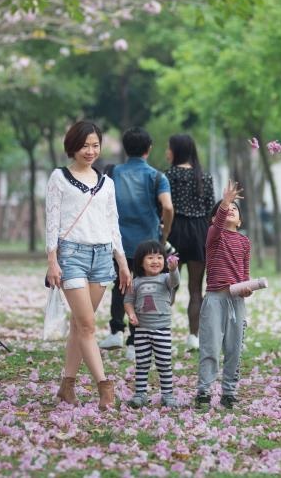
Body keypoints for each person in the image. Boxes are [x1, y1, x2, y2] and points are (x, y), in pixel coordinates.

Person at [45, 120, 131, 410]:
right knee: (88, 325)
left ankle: (66, 387)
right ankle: (105, 387)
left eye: (95, 145)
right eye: (85, 145)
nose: (90, 151)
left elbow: (113, 223)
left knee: (79, 326)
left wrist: (121, 260)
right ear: (72, 146)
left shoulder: (108, 183)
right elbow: (52, 221)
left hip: (102, 257)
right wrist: (52, 260)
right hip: (71, 257)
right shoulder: (59, 178)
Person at [98, 127, 173, 360]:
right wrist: (163, 236)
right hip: (147, 242)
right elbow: (168, 207)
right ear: (148, 150)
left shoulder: (111, 172)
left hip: (117, 241)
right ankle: (134, 342)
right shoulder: (157, 176)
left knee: (120, 285)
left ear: (125, 148)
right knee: (142, 289)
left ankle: (116, 332)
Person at [196, 179, 253, 409]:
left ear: (240, 221)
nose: (230, 210)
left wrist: (247, 288)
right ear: (214, 219)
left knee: (234, 348)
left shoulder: (245, 242)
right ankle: (204, 391)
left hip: (236, 301)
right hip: (214, 300)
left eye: (234, 209)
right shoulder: (214, 236)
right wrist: (226, 201)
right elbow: (219, 221)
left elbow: (244, 272)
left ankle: (229, 392)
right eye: (225, 208)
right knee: (210, 347)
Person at [164, 133, 215, 352]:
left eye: (169, 148)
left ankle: (162, 336)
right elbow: (211, 208)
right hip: (199, 233)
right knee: (196, 289)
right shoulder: (204, 177)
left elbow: (164, 207)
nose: (167, 152)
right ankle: (194, 337)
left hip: (174, 232)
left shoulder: (167, 176)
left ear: (176, 151)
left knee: (168, 287)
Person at [124, 240, 181, 408]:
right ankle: (140, 394)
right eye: (150, 257)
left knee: (164, 364)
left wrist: (173, 270)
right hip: (141, 330)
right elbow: (128, 301)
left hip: (162, 330)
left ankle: (168, 395)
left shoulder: (165, 279)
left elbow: (175, 282)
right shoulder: (136, 282)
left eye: (159, 257)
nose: (155, 261)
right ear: (141, 261)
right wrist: (131, 313)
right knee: (142, 363)